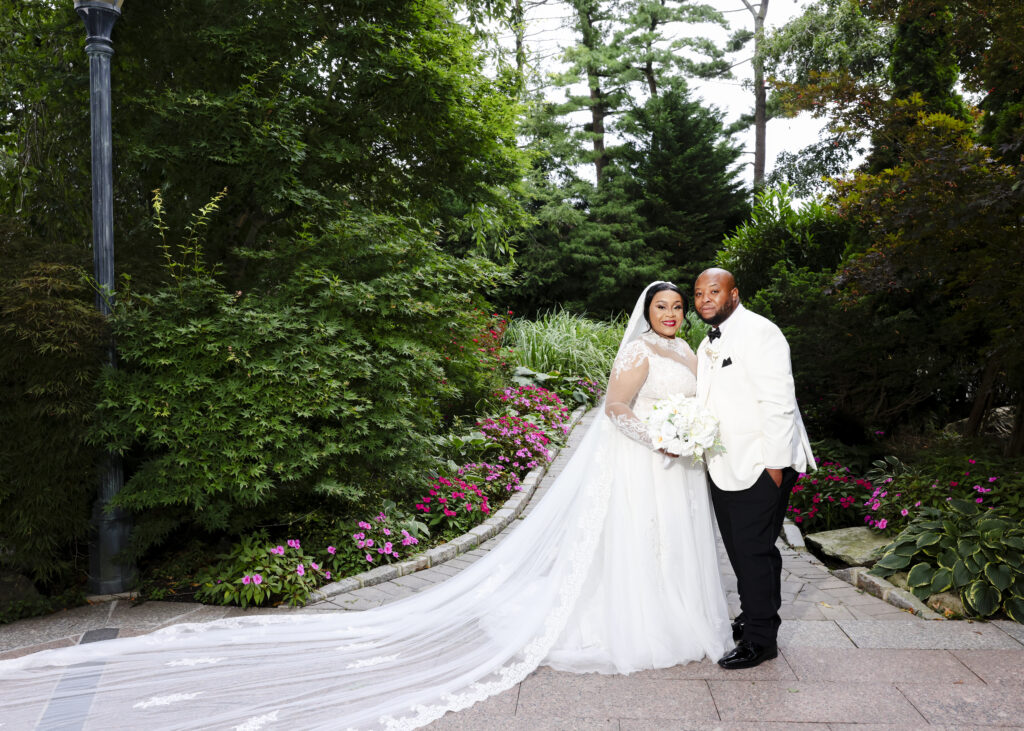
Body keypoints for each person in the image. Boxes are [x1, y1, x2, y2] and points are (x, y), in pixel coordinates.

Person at [0, 282, 731, 730]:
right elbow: (613, 411)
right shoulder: (636, 352)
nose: (671, 314)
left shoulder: (690, 351)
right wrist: (660, 439)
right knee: (635, 547)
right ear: (648, 310)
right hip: (644, 468)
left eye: (677, 306)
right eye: (663, 305)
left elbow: (695, 404)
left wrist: (689, 435)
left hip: (675, 470)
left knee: (671, 547)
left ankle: (675, 610)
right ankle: (635, 620)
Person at [693, 267, 815, 670]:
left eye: (714, 291)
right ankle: (752, 616)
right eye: (699, 293)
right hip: (723, 462)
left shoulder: (761, 332)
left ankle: (761, 640)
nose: (706, 299)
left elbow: (778, 402)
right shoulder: (707, 342)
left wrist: (775, 467)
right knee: (745, 551)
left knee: (753, 551)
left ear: (734, 294)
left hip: (761, 463)